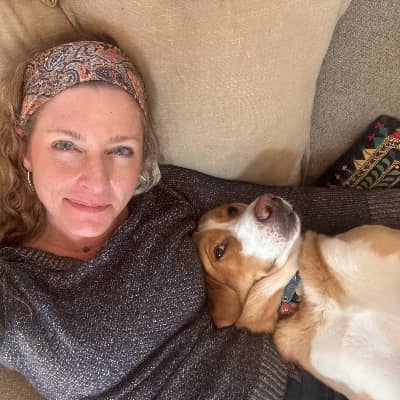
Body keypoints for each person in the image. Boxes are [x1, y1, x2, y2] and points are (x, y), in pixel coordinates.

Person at [2, 34, 388, 400]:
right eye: (66, 145)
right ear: (25, 149)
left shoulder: (164, 194)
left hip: (319, 372)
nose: (97, 181)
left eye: (121, 150)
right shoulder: (14, 285)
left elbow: (294, 209)